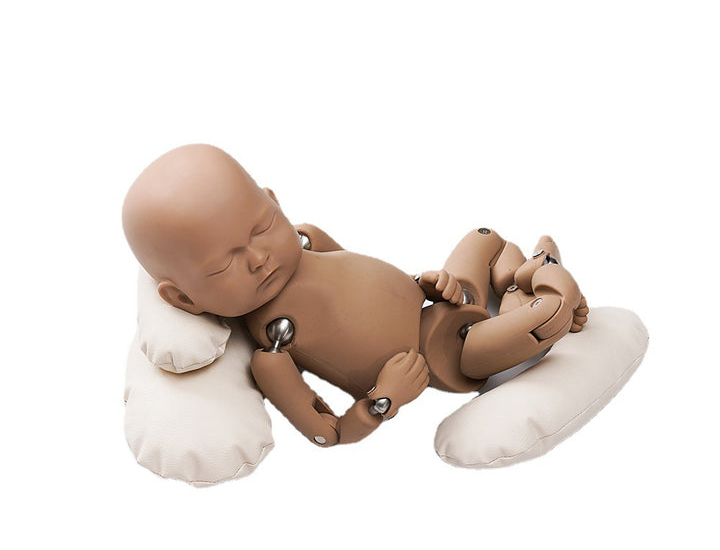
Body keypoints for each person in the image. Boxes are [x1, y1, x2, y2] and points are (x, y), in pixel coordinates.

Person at [123, 144, 588, 447]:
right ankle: (544, 280)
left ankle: (520, 281)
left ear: (274, 201)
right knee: (549, 316)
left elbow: (361, 280)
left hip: (443, 300)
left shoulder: (308, 239)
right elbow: (328, 433)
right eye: (223, 265)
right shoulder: (273, 352)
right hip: (446, 353)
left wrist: (425, 282)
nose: (258, 257)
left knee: (484, 237)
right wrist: (382, 400)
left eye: (262, 227)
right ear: (186, 301)